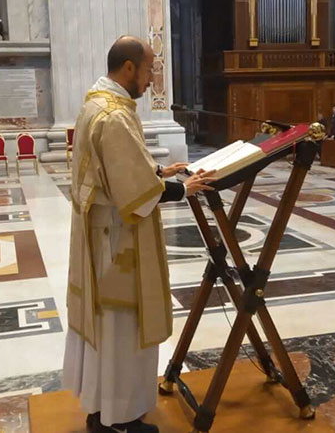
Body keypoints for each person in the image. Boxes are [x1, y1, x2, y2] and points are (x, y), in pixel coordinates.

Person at [63, 36, 217, 433]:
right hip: (119, 243)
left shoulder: (96, 103)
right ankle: (119, 420)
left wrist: (161, 172)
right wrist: (182, 189)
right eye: (149, 70)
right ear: (129, 68)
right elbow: (129, 190)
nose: (151, 80)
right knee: (121, 331)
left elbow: (113, 170)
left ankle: (102, 410)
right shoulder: (113, 115)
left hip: (103, 238)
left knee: (109, 331)